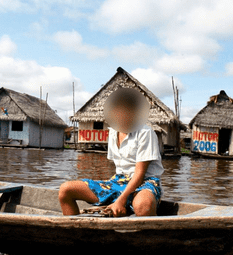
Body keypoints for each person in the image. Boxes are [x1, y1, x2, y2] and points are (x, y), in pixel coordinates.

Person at [59, 88, 163, 217]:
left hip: (145, 183)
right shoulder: (113, 132)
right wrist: (113, 197)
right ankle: (74, 233)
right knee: (66, 190)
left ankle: (147, 236)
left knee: (143, 205)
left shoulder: (145, 133)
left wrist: (120, 201)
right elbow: (119, 169)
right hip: (119, 182)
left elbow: (140, 174)